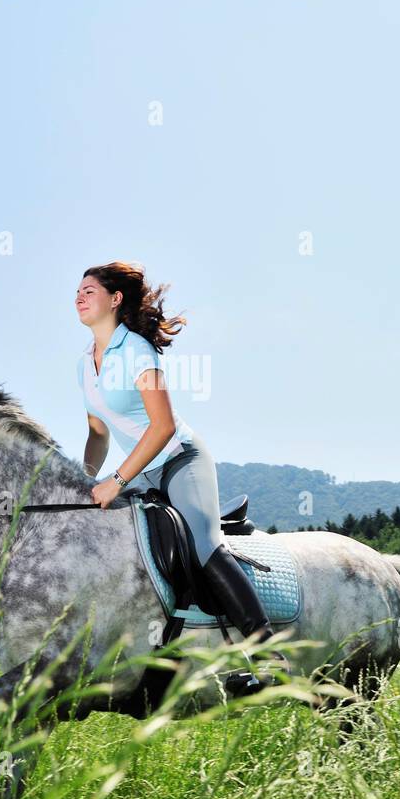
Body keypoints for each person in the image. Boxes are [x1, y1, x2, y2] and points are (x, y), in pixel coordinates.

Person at [75, 261, 289, 693]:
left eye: (89, 290)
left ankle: (269, 658)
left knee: (204, 545)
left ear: (115, 300)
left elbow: (163, 426)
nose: (79, 297)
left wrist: (115, 480)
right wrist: (84, 478)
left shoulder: (135, 350)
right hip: (140, 474)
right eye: (77, 292)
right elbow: (97, 433)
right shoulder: (84, 364)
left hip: (179, 461)